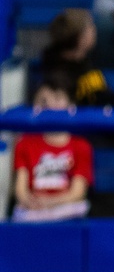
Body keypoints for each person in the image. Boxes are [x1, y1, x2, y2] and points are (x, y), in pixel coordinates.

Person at [11, 75, 94, 223]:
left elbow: (77, 193)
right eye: (43, 100)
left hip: (67, 210)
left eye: (57, 98)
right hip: (33, 211)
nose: (49, 105)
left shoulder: (81, 145)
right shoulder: (24, 143)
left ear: (71, 105)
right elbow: (21, 190)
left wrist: (50, 203)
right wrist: (30, 202)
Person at [40, 9, 114, 108]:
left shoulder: (88, 63)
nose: (94, 29)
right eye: (90, 26)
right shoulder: (56, 75)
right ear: (80, 37)